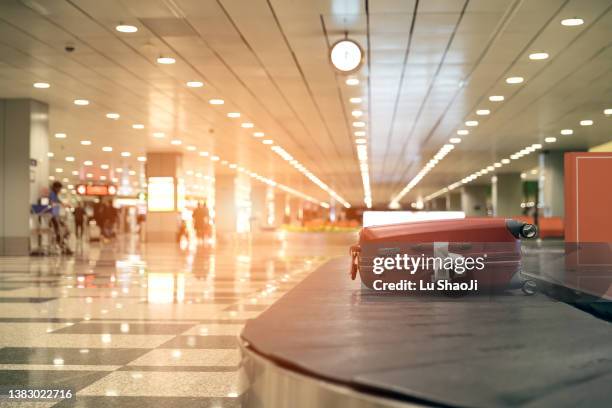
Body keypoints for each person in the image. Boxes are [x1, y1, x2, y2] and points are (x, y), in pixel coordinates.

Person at [49, 181, 73, 255]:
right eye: (59, 188)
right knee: (59, 232)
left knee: (66, 231)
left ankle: (63, 246)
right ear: (56, 188)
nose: (59, 190)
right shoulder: (52, 194)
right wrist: (62, 204)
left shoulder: (55, 195)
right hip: (53, 216)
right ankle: (62, 246)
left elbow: (58, 202)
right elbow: (53, 203)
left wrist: (65, 204)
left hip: (56, 216)